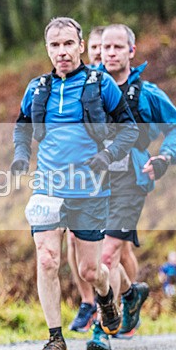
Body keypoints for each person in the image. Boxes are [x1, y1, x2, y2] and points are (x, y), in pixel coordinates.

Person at [11, 17, 138, 350]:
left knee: (90, 271)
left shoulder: (100, 83)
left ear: (81, 46)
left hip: (90, 188)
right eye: (55, 45)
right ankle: (56, 339)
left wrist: (106, 155)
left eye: (69, 44)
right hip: (47, 187)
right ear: (47, 49)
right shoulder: (38, 88)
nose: (62, 51)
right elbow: (22, 127)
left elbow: (129, 129)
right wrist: (21, 156)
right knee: (47, 258)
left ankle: (108, 300)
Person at [86, 23, 176, 350]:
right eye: (105, 48)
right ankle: (130, 294)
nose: (110, 53)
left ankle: (102, 328)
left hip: (131, 179)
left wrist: (165, 158)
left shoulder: (147, 93)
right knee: (90, 257)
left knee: (109, 253)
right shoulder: (86, 87)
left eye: (118, 48)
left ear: (131, 51)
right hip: (92, 180)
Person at [67, 25, 105, 333]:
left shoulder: (111, 83)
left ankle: (121, 301)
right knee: (72, 238)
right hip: (80, 176)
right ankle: (88, 302)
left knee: (116, 249)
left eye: (103, 47)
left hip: (118, 174)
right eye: (94, 47)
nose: (98, 53)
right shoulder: (74, 81)